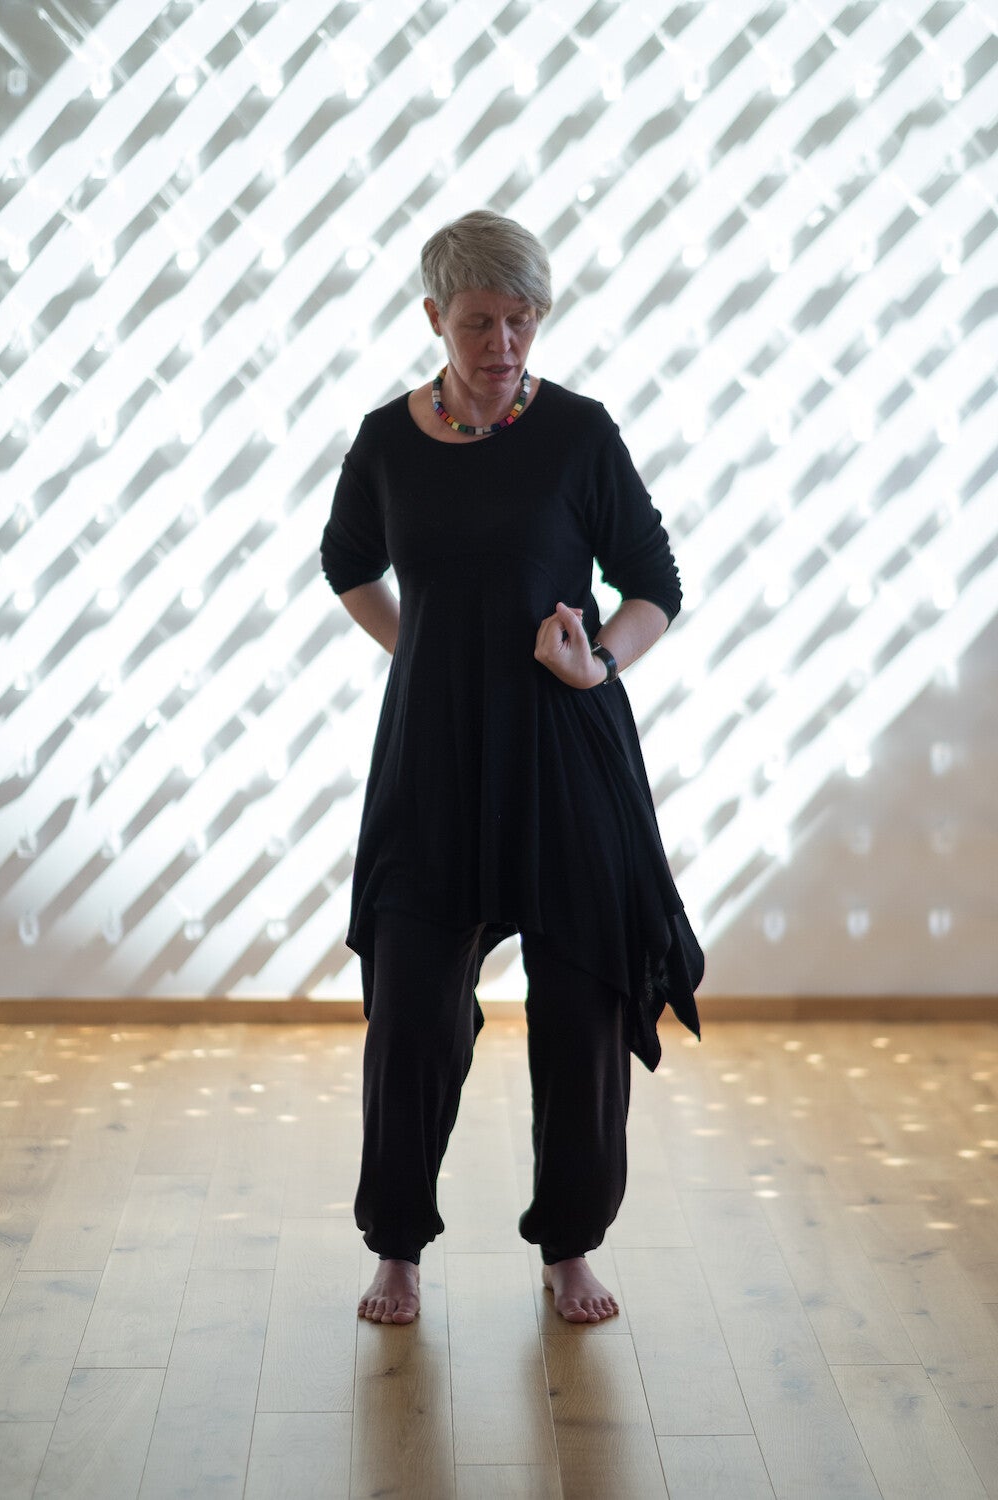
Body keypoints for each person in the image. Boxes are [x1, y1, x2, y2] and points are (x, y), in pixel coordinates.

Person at [320, 209, 704, 1326]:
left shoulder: (579, 433)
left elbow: (655, 584)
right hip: (432, 758)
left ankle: (569, 1245)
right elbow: (347, 564)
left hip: (565, 752)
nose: (503, 344)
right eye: (480, 322)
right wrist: (425, 650)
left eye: (523, 320)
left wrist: (599, 665)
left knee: (580, 1007)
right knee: (411, 1012)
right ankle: (396, 1247)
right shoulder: (386, 442)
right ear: (433, 316)